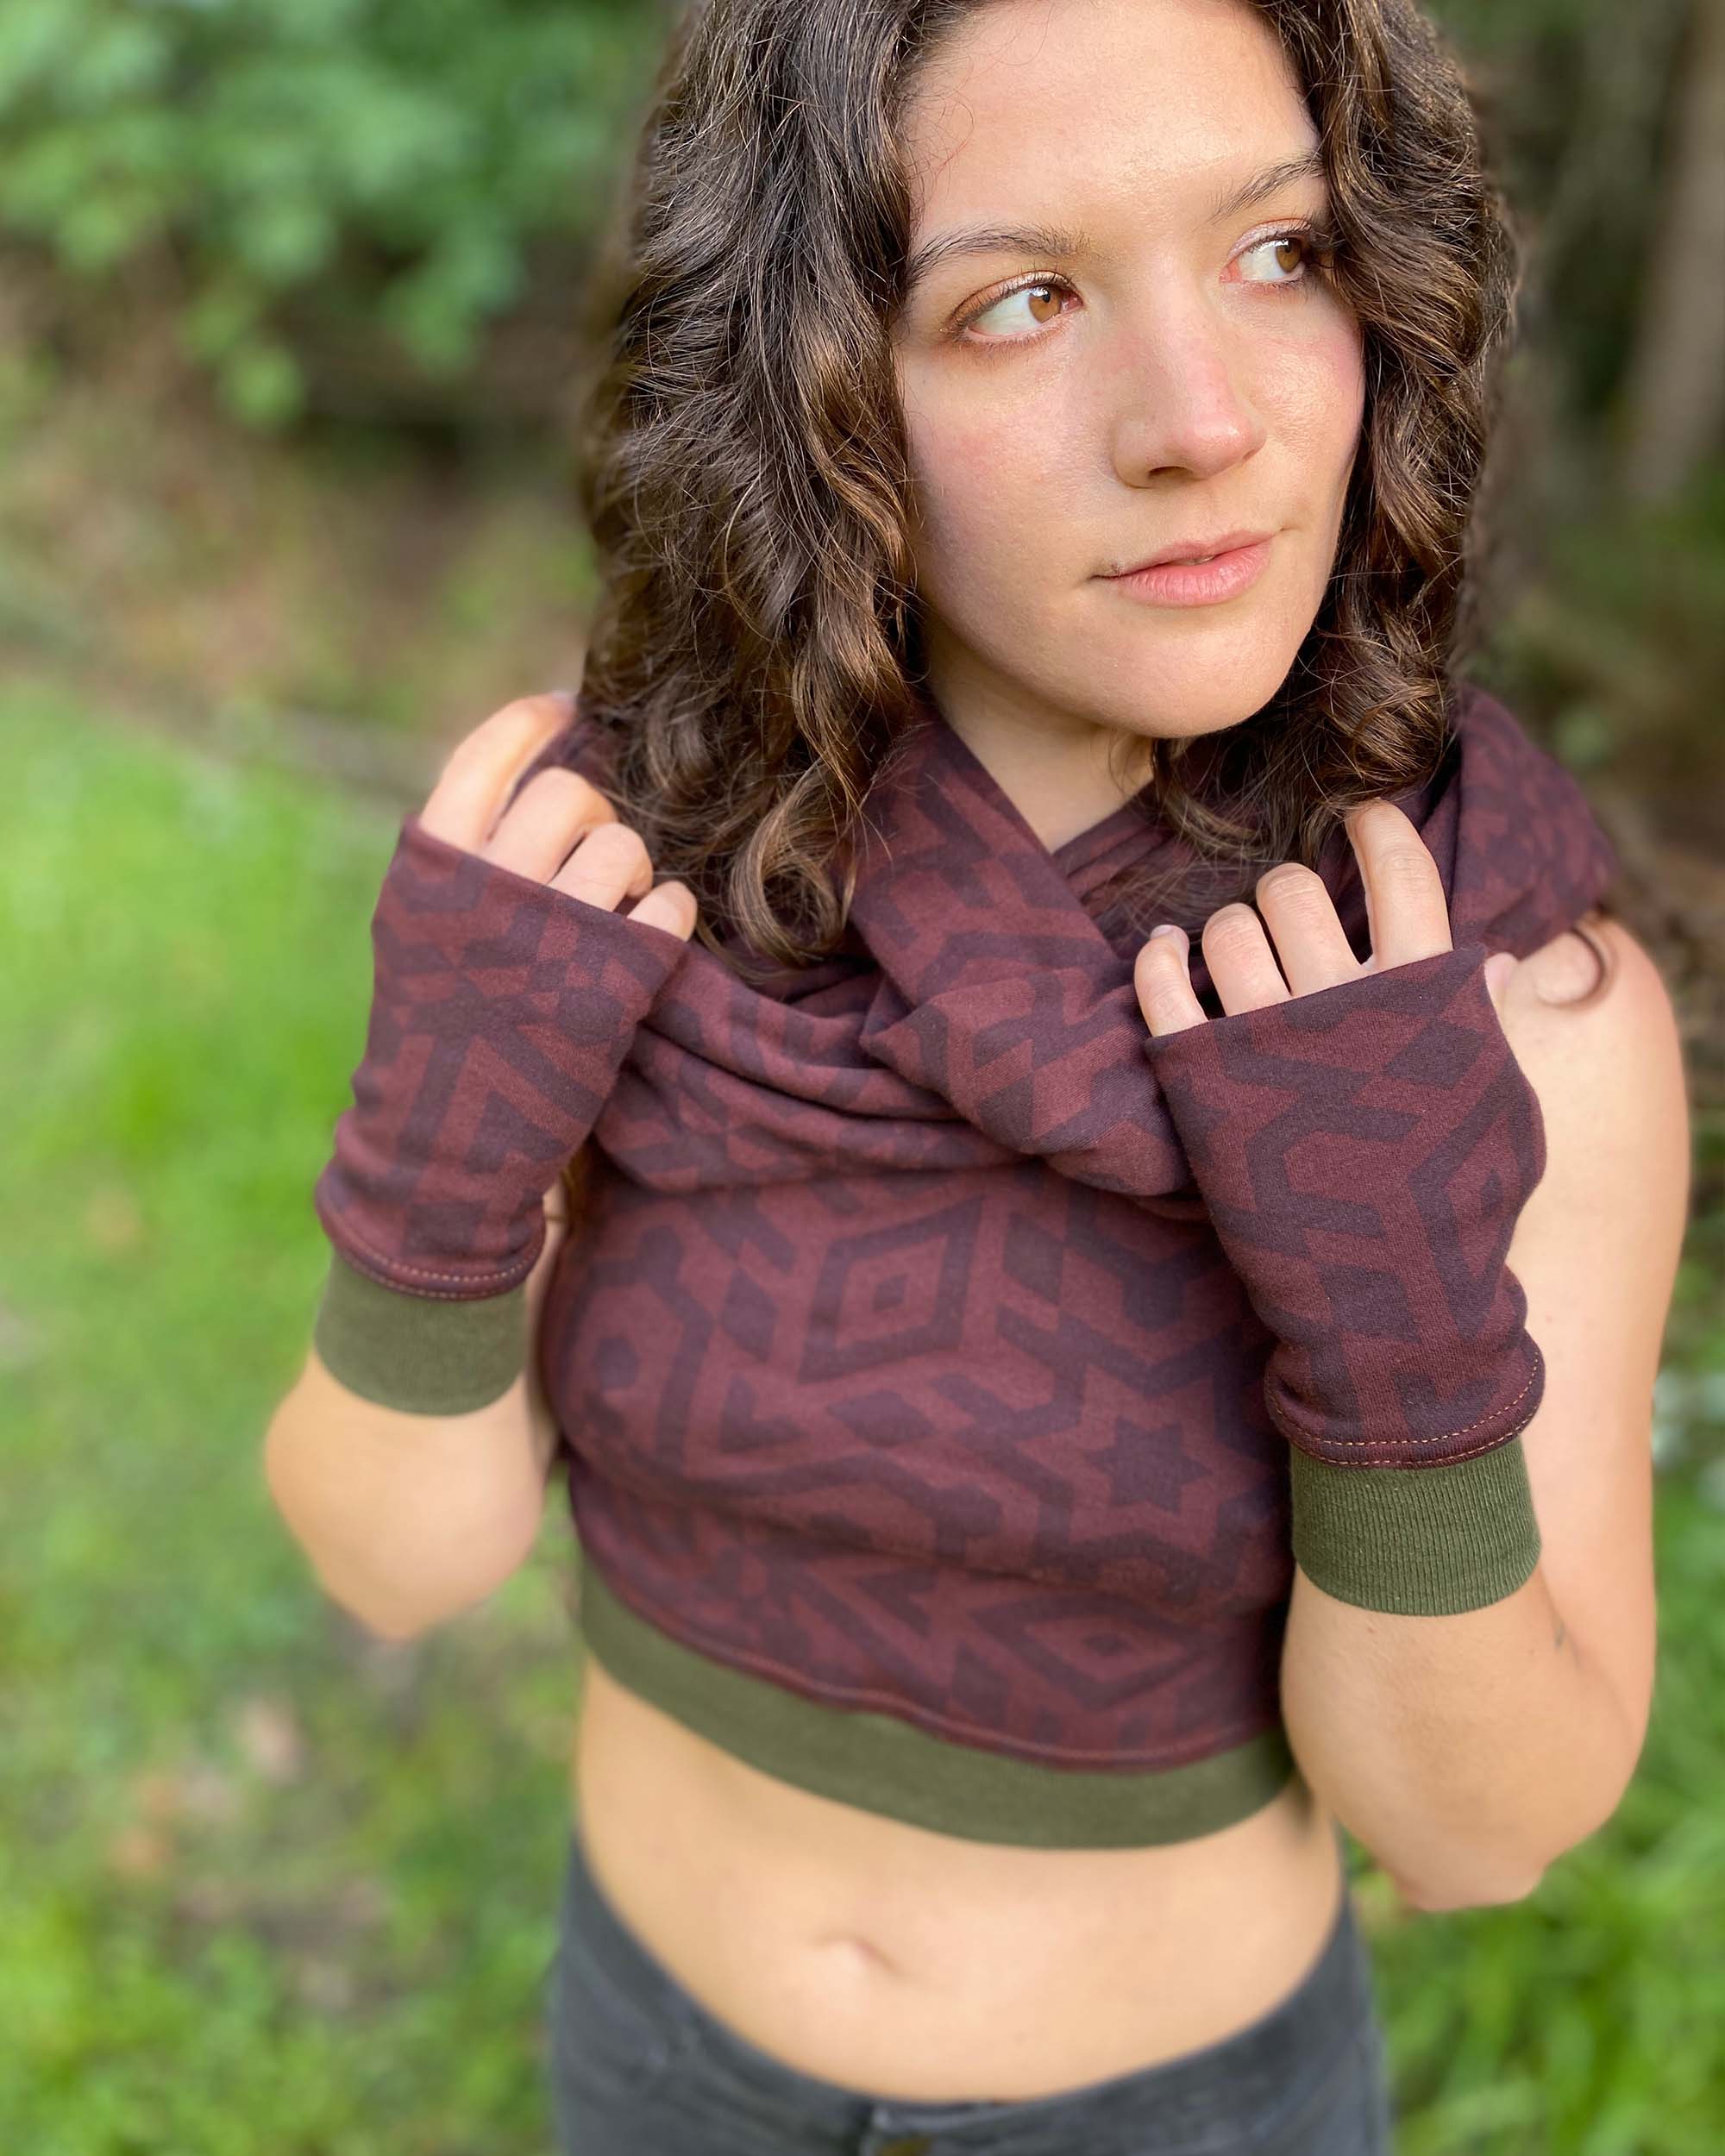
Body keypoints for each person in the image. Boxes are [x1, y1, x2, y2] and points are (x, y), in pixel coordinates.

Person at [263, 0, 1689, 2150]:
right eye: (1020, 300)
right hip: (658, 2068)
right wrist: (435, 1160)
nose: (1200, 421)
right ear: (807, 382)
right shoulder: (613, 877)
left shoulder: (1495, 1001)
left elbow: (1481, 1832)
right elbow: (393, 1561)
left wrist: (1399, 1330)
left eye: (1279, 254)